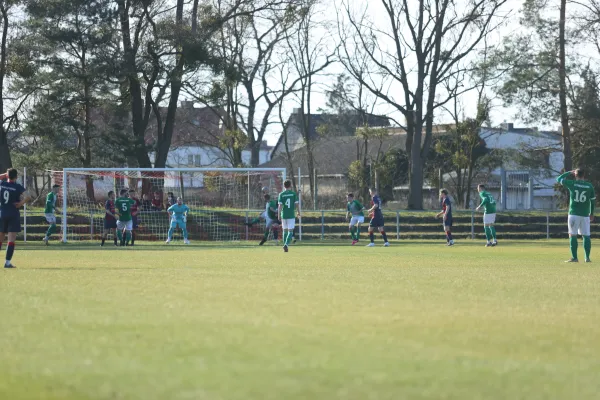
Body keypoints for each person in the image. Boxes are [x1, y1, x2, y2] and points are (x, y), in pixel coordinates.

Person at [556, 169, 596, 263]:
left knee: (572, 235)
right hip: (585, 214)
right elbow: (592, 200)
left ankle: (574, 258)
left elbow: (559, 179)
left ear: (575, 175)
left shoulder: (572, 183)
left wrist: (569, 172)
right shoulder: (589, 186)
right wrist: (592, 213)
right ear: (584, 175)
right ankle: (587, 258)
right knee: (586, 235)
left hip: (574, 214)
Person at [0, 168, 30, 268]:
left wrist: (5, 174)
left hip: (2, 213)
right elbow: (28, 196)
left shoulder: (2, 184)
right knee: (11, 239)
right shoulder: (17, 187)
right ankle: (7, 262)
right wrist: (20, 204)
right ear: (16, 177)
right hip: (13, 214)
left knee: (0, 238)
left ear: (7, 176)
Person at [278, 180, 300, 252]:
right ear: (290, 185)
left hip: (283, 215)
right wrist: (298, 212)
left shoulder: (281, 194)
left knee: (284, 230)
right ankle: (286, 245)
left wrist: (278, 214)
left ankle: (285, 245)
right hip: (291, 215)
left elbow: (280, 206)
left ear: (284, 186)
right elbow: (297, 204)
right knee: (290, 231)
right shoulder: (293, 194)